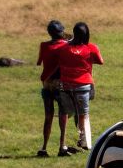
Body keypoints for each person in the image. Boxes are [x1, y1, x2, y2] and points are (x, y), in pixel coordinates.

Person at [53, 22, 103, 154]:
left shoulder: (63, 48)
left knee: (65, 113)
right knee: (84, 115)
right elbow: (100, 61)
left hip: (66, 85)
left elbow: (58, 61)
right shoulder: (91, 48)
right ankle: (85, 142)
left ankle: (62, 143)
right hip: (83, 85)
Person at [36, 20, 70, 157]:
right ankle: (62, 146)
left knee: (48, 116)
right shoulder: (66, 46)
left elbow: (39, 62)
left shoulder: (43, 45)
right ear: (61, 32)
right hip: (60, 84)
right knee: (63, 115)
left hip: (46, 84)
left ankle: (44, 148)